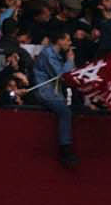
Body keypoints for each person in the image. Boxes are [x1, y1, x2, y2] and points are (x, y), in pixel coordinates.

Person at [31, 30, 77, 167]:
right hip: (45, 92)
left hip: (54, 92)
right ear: (60, 40)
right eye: (68, 40)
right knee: (65, 112)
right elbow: (61, 76)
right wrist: (70, 61)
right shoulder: (49, 54)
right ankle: (65, 148)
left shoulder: (55, 55)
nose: (70, 43)